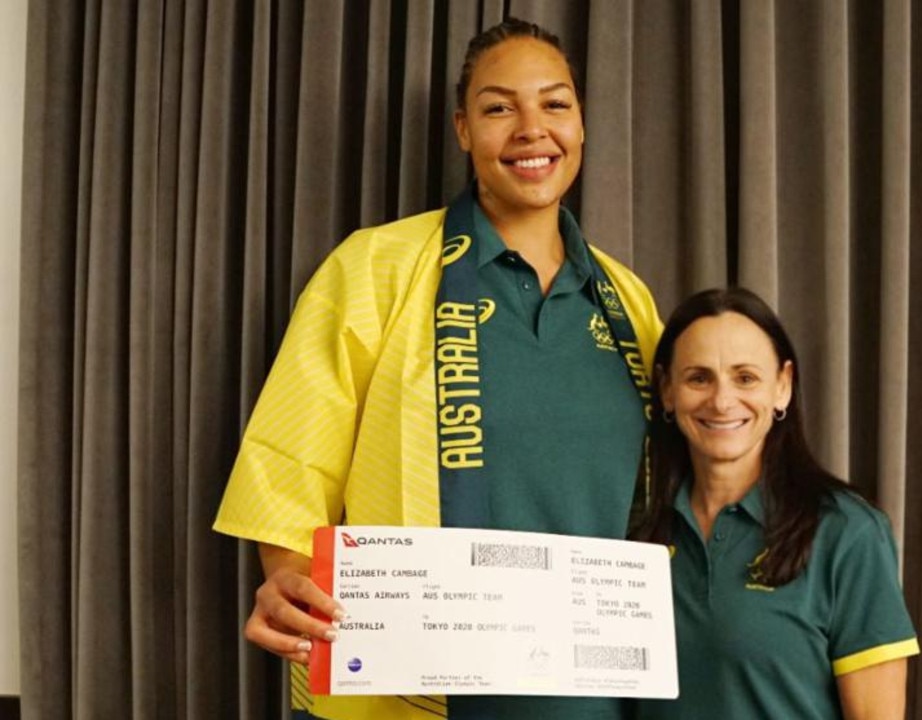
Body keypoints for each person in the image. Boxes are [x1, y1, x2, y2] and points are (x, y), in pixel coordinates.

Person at [214, 18, 662, 720]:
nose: (530, 128)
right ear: (462, 129)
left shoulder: (629, 302)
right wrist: (291, 584)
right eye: (497, 107)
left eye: (554, 103)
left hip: (595, 698)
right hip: (403, 692)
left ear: (581, 122)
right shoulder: (374, 267)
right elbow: (291, 464)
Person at [631, 288, 919, 720]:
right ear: (667, 390)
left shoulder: (847, 532)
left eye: (745, 377)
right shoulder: (634, 526)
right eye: (699, 378)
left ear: (782, 387)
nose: (722, 400)